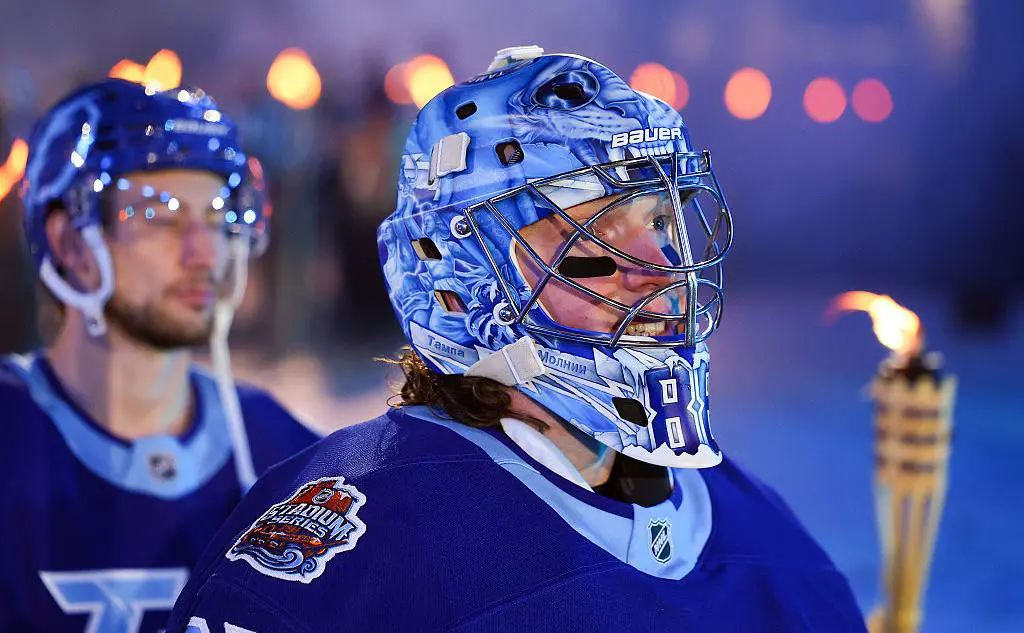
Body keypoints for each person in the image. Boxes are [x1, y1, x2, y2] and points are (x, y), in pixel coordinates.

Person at [167, 47, 866, 632]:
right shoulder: (356, 544)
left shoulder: (774, 546)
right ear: (462, 272)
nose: (659, 270)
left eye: (660, 220)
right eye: (590, 236)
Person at [0, 78, 320, 632]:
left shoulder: (284, 452)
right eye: (160, 215)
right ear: (72, 244)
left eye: (217, 215)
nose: (203, 253)